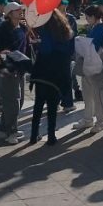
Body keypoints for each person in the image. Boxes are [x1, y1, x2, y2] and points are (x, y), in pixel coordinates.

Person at [31, 9, 74, 145]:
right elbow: (70, 51)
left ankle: (33, 135)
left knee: (38, 105)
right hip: (58, 74)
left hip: (43, 72)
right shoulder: (66, 31)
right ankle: (51, 136)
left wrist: (38, 44)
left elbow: (46, 50)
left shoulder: (45, 31)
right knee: (52, 107)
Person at [0, 2, 28, 144]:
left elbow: (25, 46)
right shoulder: (3, 29)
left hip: (20, 68)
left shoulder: (23, 27)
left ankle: (4, 126)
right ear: (9, 14)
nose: (20, 11)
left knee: (19, 100)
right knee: (12, 101)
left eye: (21, 9)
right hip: (8, 70)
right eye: (17, 10)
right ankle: (11, 132)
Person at [74, 6, 103, 132]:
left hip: (97, 65)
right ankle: (88, 119)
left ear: (93, 17)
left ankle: (100, 122)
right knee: (87, 94)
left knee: (98, 95)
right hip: (89, 64)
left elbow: (95, 47)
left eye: (87, 17)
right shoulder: (95, 28)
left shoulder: (101, 29)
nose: (86, 20)